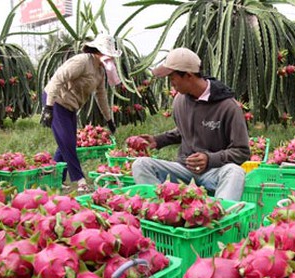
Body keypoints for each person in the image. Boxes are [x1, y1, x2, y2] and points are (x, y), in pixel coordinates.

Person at [132, 47, 250, 201]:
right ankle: (164, 210)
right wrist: (158, 140)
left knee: (235, 172)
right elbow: (183, 131)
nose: (171, 83)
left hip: (214, 171)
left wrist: (209, 159)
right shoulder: (179, 101)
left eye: (172, 77)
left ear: (188, 75)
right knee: (140, 165)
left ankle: (221, 216)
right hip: (184, 170)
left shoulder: (228, 106)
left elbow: (242, 151)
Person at [40, 33, 122, 192]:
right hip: (56, 101)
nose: (110, 58)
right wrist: (48, 107)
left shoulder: (99, 71)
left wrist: (109, 119)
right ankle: (80, 181)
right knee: (68, 143)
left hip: (70, 106)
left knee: (65, 143)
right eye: (108, 54)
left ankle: (54, 179)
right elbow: (57, 79)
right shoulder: (82, 61)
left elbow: (101, 96)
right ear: (98, 51)